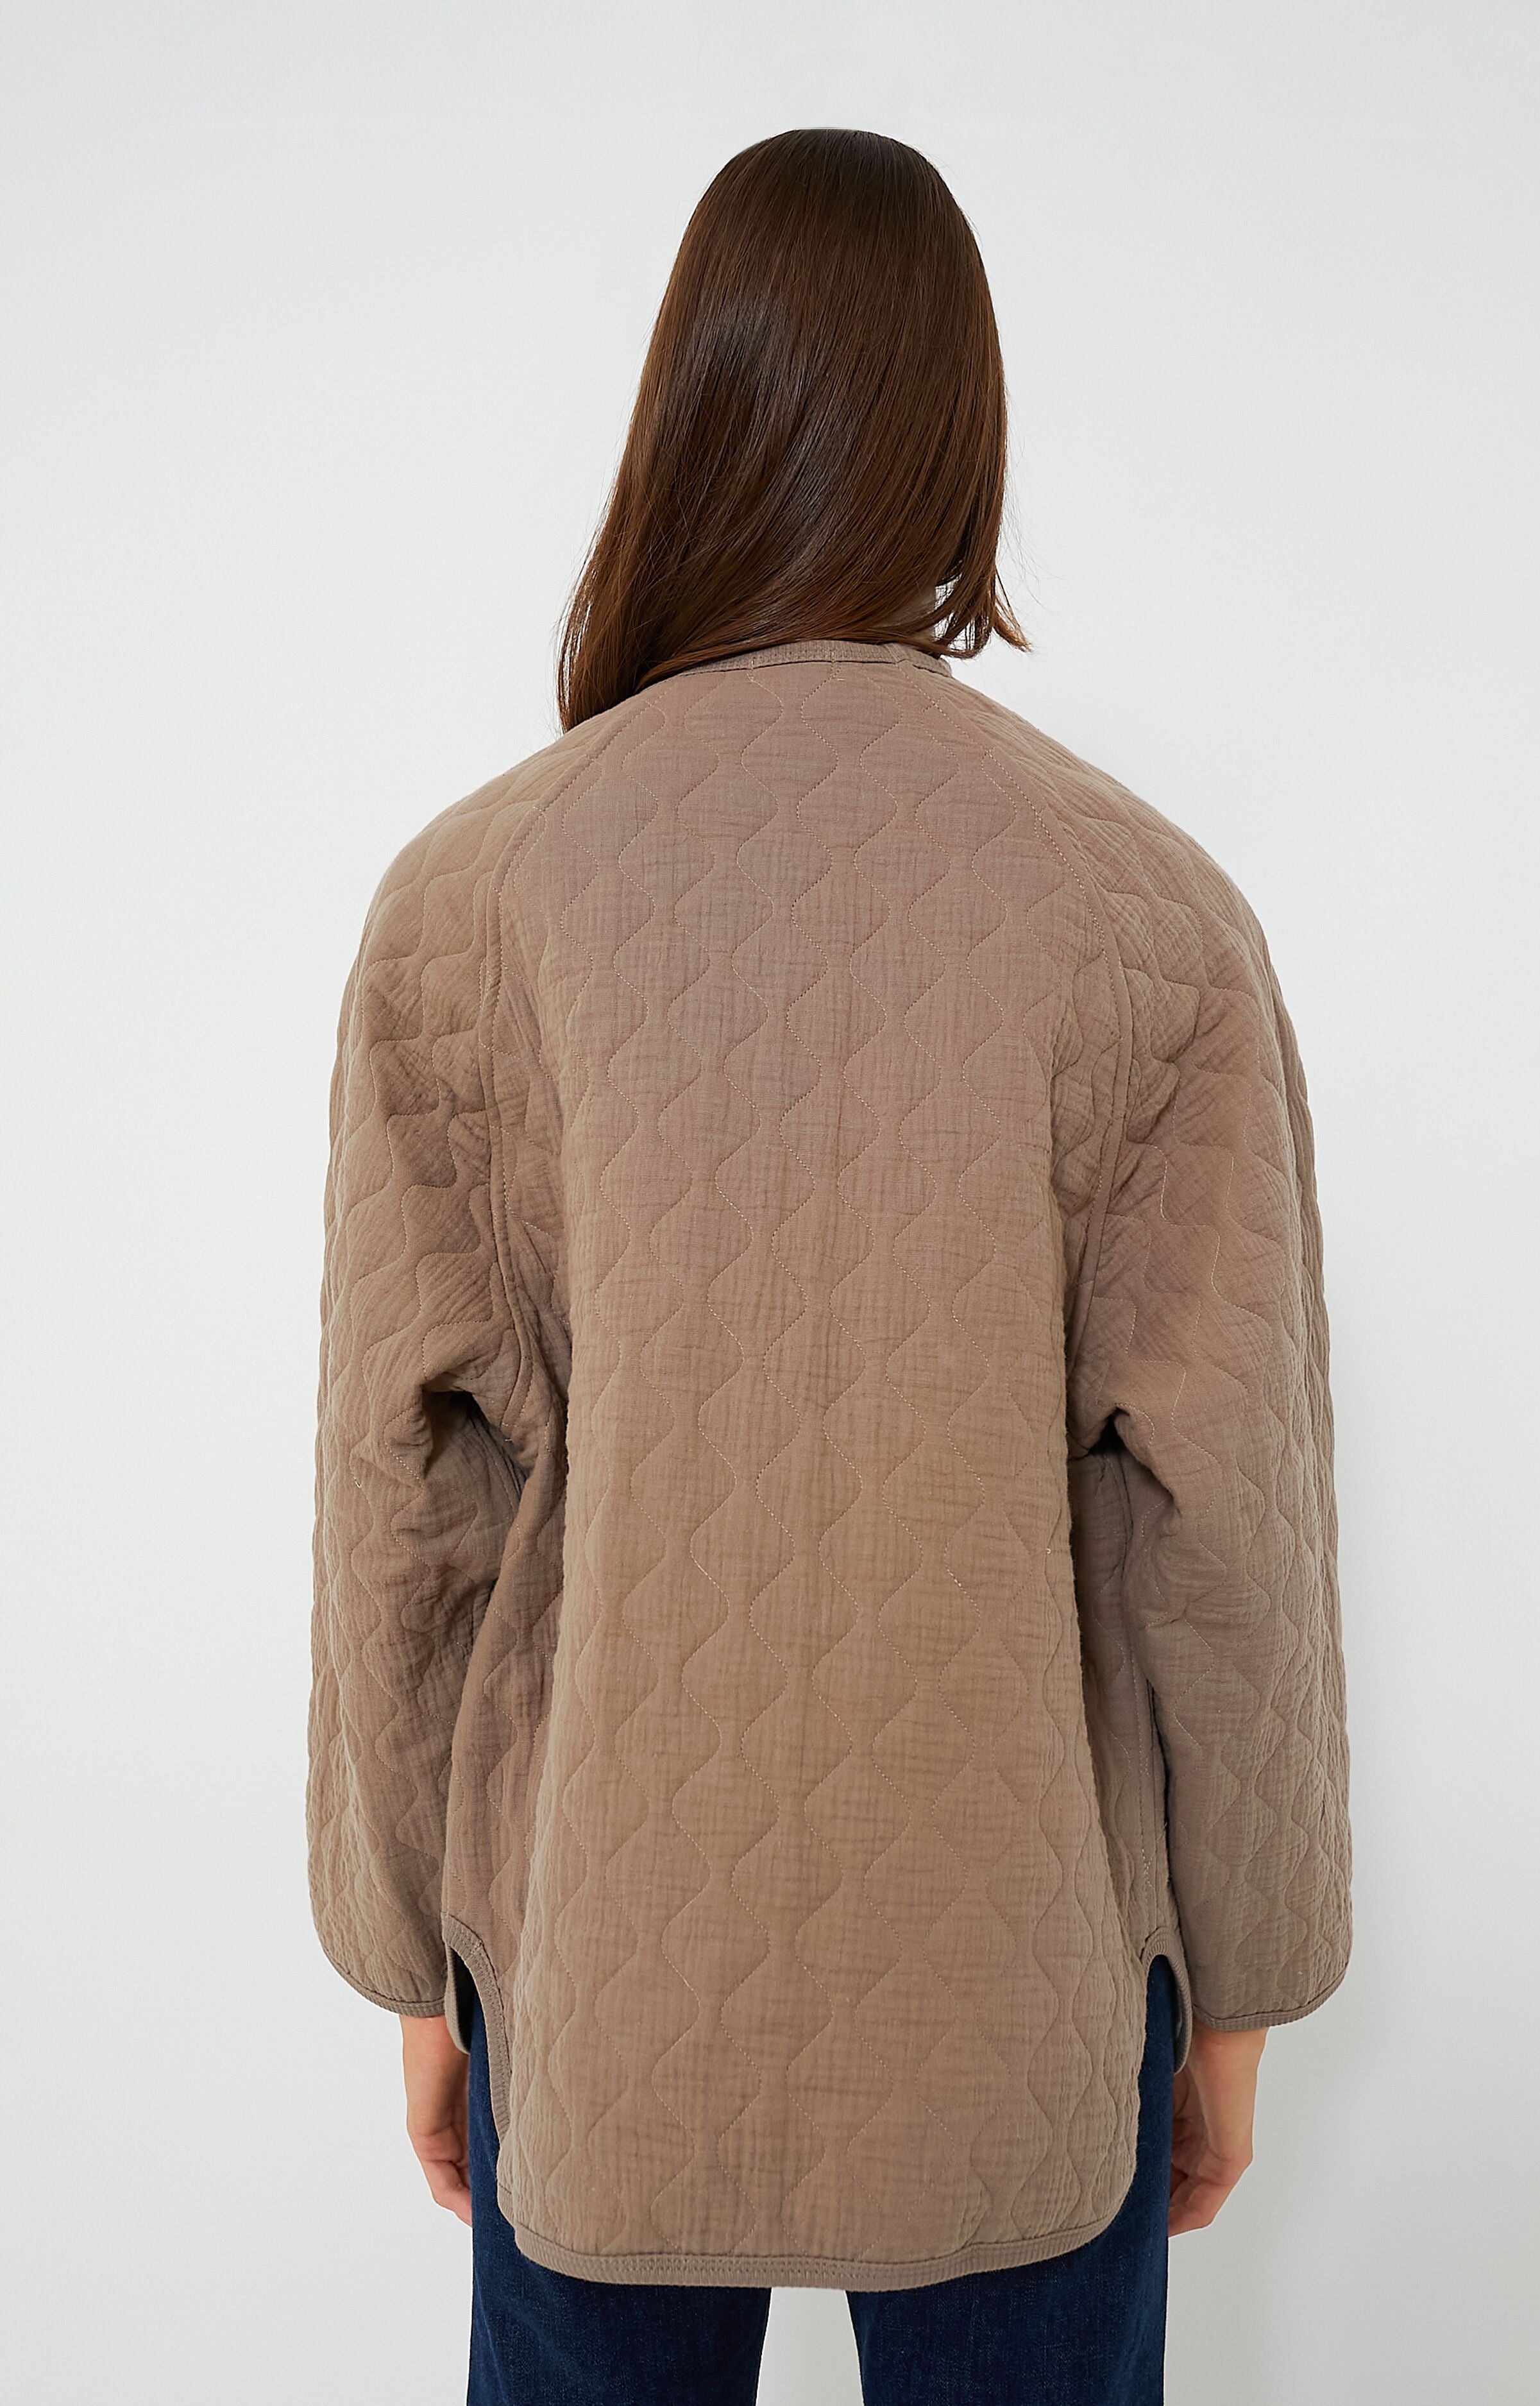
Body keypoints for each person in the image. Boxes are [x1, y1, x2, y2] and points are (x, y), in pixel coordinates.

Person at [306, 126, 1353, 2405]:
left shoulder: (471, 904)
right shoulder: (1145, 910)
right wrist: (1242, 1996)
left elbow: (409, 1496)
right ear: (964, 434)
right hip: (1016, 1967)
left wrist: (413, 1966)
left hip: (590, 1958)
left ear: (681, 414)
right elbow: (1227, 1525)